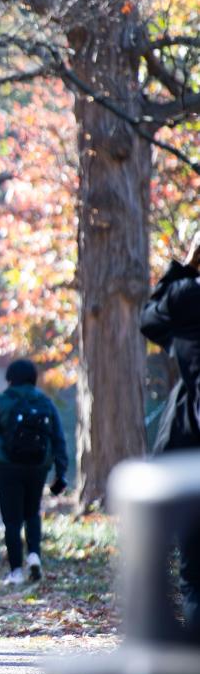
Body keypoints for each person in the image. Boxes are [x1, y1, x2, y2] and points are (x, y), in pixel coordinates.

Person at [139, 230, 200, 632]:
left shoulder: (188, 298)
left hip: (190, 446)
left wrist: (183, 267)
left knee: (194, 575)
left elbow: (149, 321)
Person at [0, 358, 68, 586]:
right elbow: (58, 438)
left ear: (9, 378)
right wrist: (61, 471)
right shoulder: (45, 402)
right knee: (32, 512)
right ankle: (34, 555)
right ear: (34, 377)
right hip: (38, 466)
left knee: (12, 520)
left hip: (6, 467)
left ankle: (16, 572)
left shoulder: (1, 401)